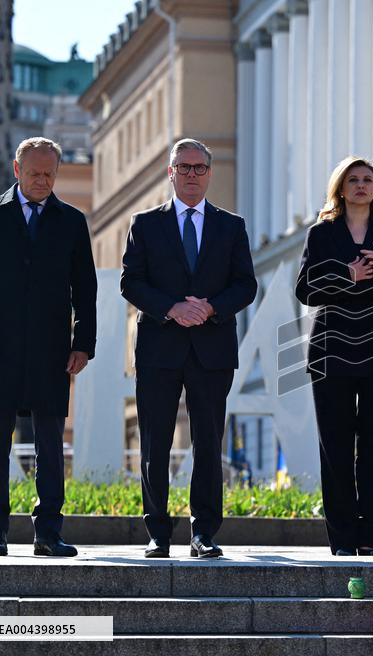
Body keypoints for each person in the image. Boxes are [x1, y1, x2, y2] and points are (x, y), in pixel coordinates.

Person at [0, 137, 97, 557]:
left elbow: (85, 290)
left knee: (50, 447)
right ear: (16, 170)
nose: (43, 180)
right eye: (35, 172)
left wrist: (83, 345)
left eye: (50, 174)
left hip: (52, 351)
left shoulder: (71, 221)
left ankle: (48, 532)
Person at [121, 138, 257, 558]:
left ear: (209, 173)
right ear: (171, 172)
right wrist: (173, 308)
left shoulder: (231, 226)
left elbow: (246, 285)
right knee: (155, 444)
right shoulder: (145, 224)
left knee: (207, 443)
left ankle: (204, 534)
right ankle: (157, 533)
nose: (192, 174)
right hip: (159, 348)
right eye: (184, 167)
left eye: (199, 167)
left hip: (212, 350)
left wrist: (210, 308)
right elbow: (131, 282)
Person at [295, 156, 373, 556]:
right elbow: (305, 290)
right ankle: (342, 539)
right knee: (334, 448)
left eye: (368, 180)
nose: (362, 186)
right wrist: (344, 275)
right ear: (341, 187)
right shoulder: (320, 235)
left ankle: (370, 537)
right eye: (354, 179)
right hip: (331, 350)